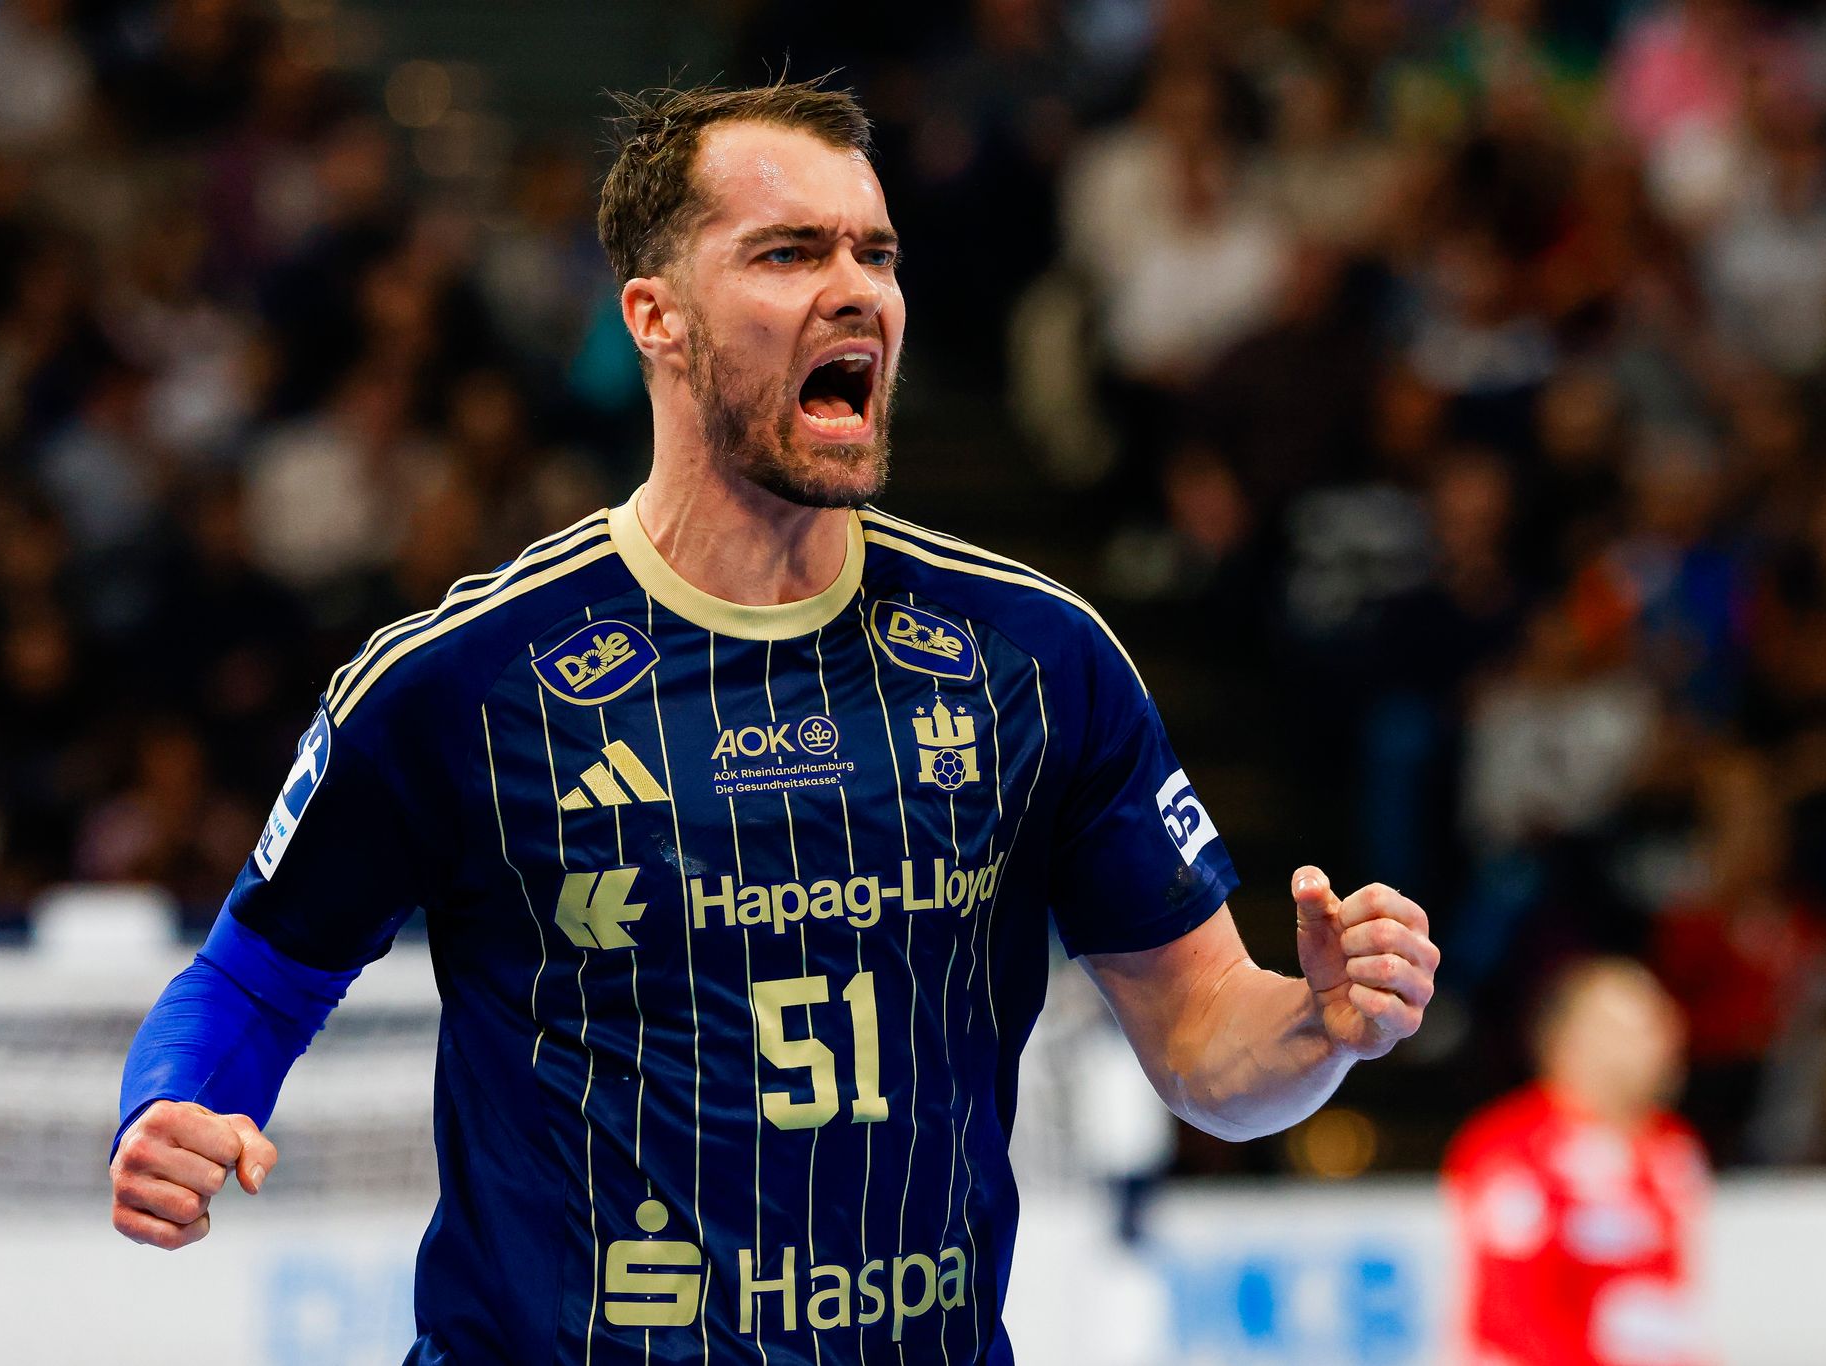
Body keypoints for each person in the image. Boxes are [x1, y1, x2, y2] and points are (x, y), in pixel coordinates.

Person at [108, 79, 1440, 1363]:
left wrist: (1319, 1024)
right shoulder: (461, 682)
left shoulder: (1035, 660)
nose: (857, 289)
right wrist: (175, 1103)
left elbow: (1206, 1043)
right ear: (656, 318)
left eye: (876, 253)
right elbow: (249, 981)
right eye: (790, 252)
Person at [1444, 958, 1710, 1366]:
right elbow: (1509, 1314)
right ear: (1570, 1041)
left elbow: (1672, 1296)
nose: (1662, 1042)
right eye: (1633, 1030)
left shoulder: (1673, 1147)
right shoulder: (1511, 1147)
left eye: (1662, 1024)